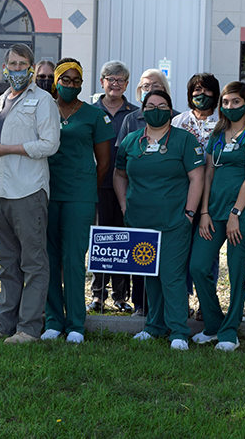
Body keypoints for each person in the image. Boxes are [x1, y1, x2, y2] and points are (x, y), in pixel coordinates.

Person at [0, 43, 60, 344]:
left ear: (31, 67)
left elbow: (49, 145)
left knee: (33, 263)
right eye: (12, 64)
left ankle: (29, 328)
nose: (17, 70)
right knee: (8, 263)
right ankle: (2, 324)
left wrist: (7, 150)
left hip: (27, 192)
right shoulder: (1, 100)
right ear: (4, 68)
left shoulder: (44, 100)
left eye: (23, 64)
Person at [114, 90, 205, 350]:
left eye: (162, 106)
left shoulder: (184, 140)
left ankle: (178, 330)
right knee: (149, 274)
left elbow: (197, 177)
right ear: (143, 111)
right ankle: (155, 326)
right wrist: (123, 205)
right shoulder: (132, 141)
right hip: (140, 219)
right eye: (151, 105)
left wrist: (189, 213)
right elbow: (119, 174)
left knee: (172, 275)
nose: (156, 110)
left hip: (174, 220)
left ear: (170, 110)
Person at [41, 58, 115, 343]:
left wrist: (84, 187)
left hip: (79, 196)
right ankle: (52, 320)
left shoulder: (94, 115)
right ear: (55, 81)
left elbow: (104, 162)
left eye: (76, 81)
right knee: (48, 256)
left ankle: (75, 324)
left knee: (73, 258)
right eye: (66, 80)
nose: (71, 85)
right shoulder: (43, 109)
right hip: (45, 192)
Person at [189, 81, 245, 352]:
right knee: (197, 266)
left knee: (236, 274)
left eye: (235, 101)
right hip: (213, 213)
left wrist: (236, 213)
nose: (230, 106)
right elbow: (208, 173)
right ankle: (214, 324)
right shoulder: (218, 134)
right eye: (226, 102)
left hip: (241, 215)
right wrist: (205, 211)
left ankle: (229, 332)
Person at [115, 68, 178, 316]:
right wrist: (125, 204)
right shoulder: (131, 120)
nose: (150, 89)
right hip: (138, 202)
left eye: (156, 85)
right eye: (145, 86)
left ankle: (169, 311)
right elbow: (122, 167)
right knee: (140, 255)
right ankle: (141, 306)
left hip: (168, 207)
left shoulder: (176, 119)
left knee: (168, 263)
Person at [87, 61, 138, 314]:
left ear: (127, 84)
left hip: (128, 187)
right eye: (111, 79)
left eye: (120, 80)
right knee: (101, 240)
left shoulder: (135, 114)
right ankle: (98, 295)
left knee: (124, 239)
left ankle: (120, 295)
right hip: (97, 185)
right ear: (102, 82)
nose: (115, 84)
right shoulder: (90, 111)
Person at [172, 73, 221, 322]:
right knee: (181, 251)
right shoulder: (179, 121)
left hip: (213, 196)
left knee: (207, 252)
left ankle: (206, 303)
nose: (201, 95)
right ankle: (182, 301)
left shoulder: (223, 122)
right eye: (196, 90)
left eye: (206, 90)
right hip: (183, 194)